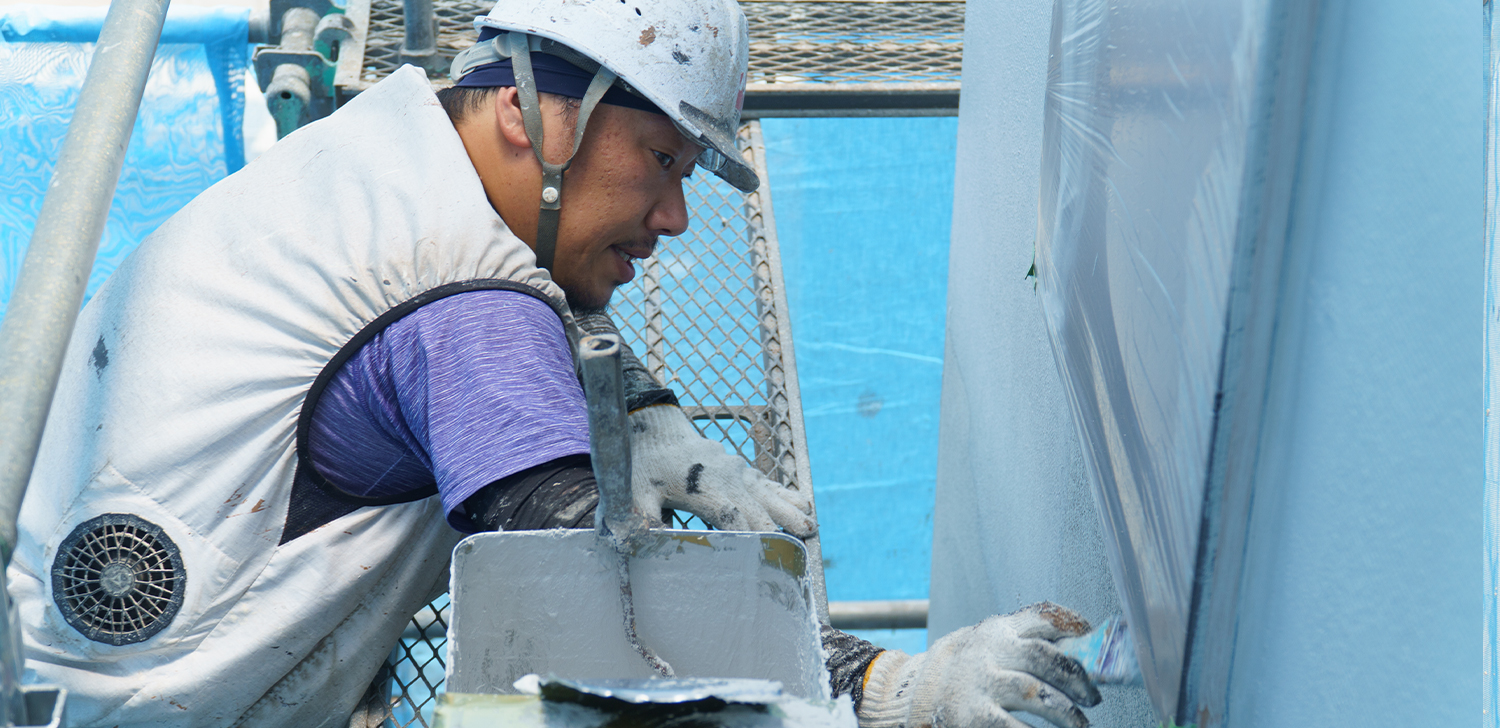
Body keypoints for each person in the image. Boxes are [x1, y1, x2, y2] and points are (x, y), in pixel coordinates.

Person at [7, 0, 1104, 726]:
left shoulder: (387, 164)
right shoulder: (461, 308)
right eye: (661, 159)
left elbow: (479, 302)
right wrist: (897, 688)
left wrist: (638, 401)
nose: (673, 216)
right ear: (529, 112)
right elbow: (595, 594)